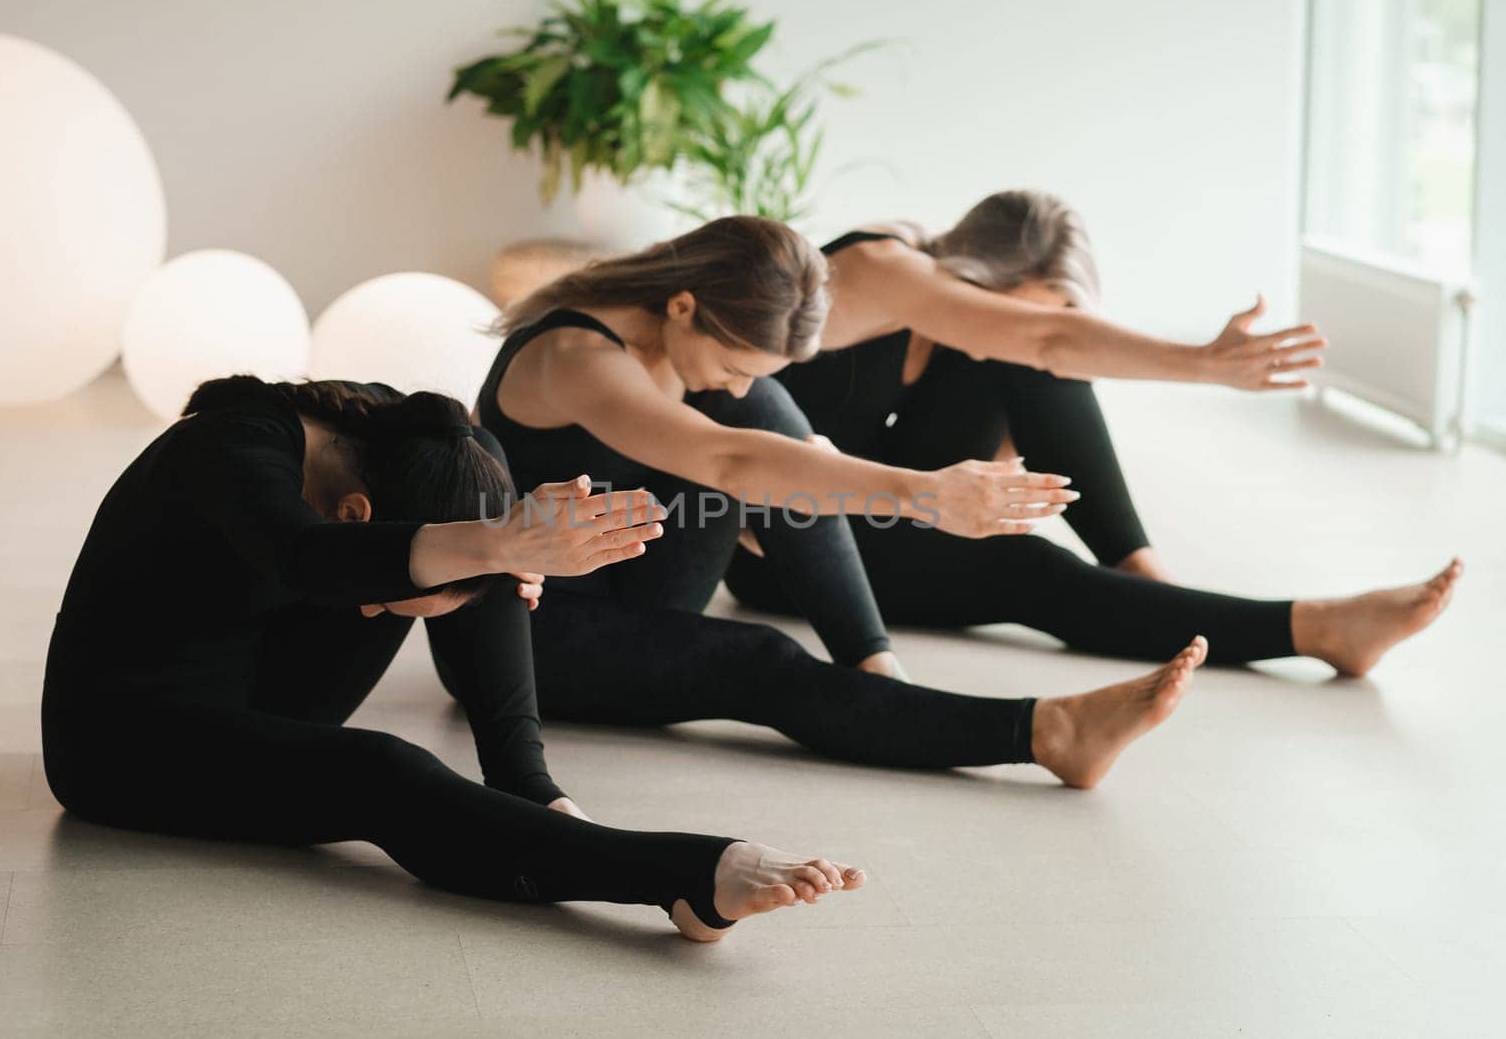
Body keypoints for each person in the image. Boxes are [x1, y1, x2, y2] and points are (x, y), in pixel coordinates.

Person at [40, 374, 864, 943]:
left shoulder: (413, 436)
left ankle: (531, 792)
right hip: (127, 738)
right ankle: (679, 874)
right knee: (383, 771)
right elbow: (305, 559)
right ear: (357, 510)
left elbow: (438, 544)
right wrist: (498, 540)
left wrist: (510, 547)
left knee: (483, 527)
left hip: (265, 681)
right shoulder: (227, 451)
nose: (383, 619)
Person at [476, 214, 1212, 791]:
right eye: (731, 362)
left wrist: (812, 461)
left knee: (766, 412)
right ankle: (1047, 733)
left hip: (642, 572)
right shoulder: (576, 358)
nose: (731, 383)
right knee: (758, 653)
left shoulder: (692, 344)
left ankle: (875, 673)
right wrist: (922, 496)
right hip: (541, 633)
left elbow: (749, 441)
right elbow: (722, 458)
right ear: (682, 304)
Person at [724, 192, 1461, 673]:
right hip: (786, 543)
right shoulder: (884, 266)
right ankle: (1316, 628)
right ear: (980, 275)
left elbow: (1041, 357)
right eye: (1037, 311)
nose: (1043, 329)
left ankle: (1148, 586)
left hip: (894, 490)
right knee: (1027, 568)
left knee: (1035, 370)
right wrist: (1203, 364)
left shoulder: (966, 321)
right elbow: (1048, 340)